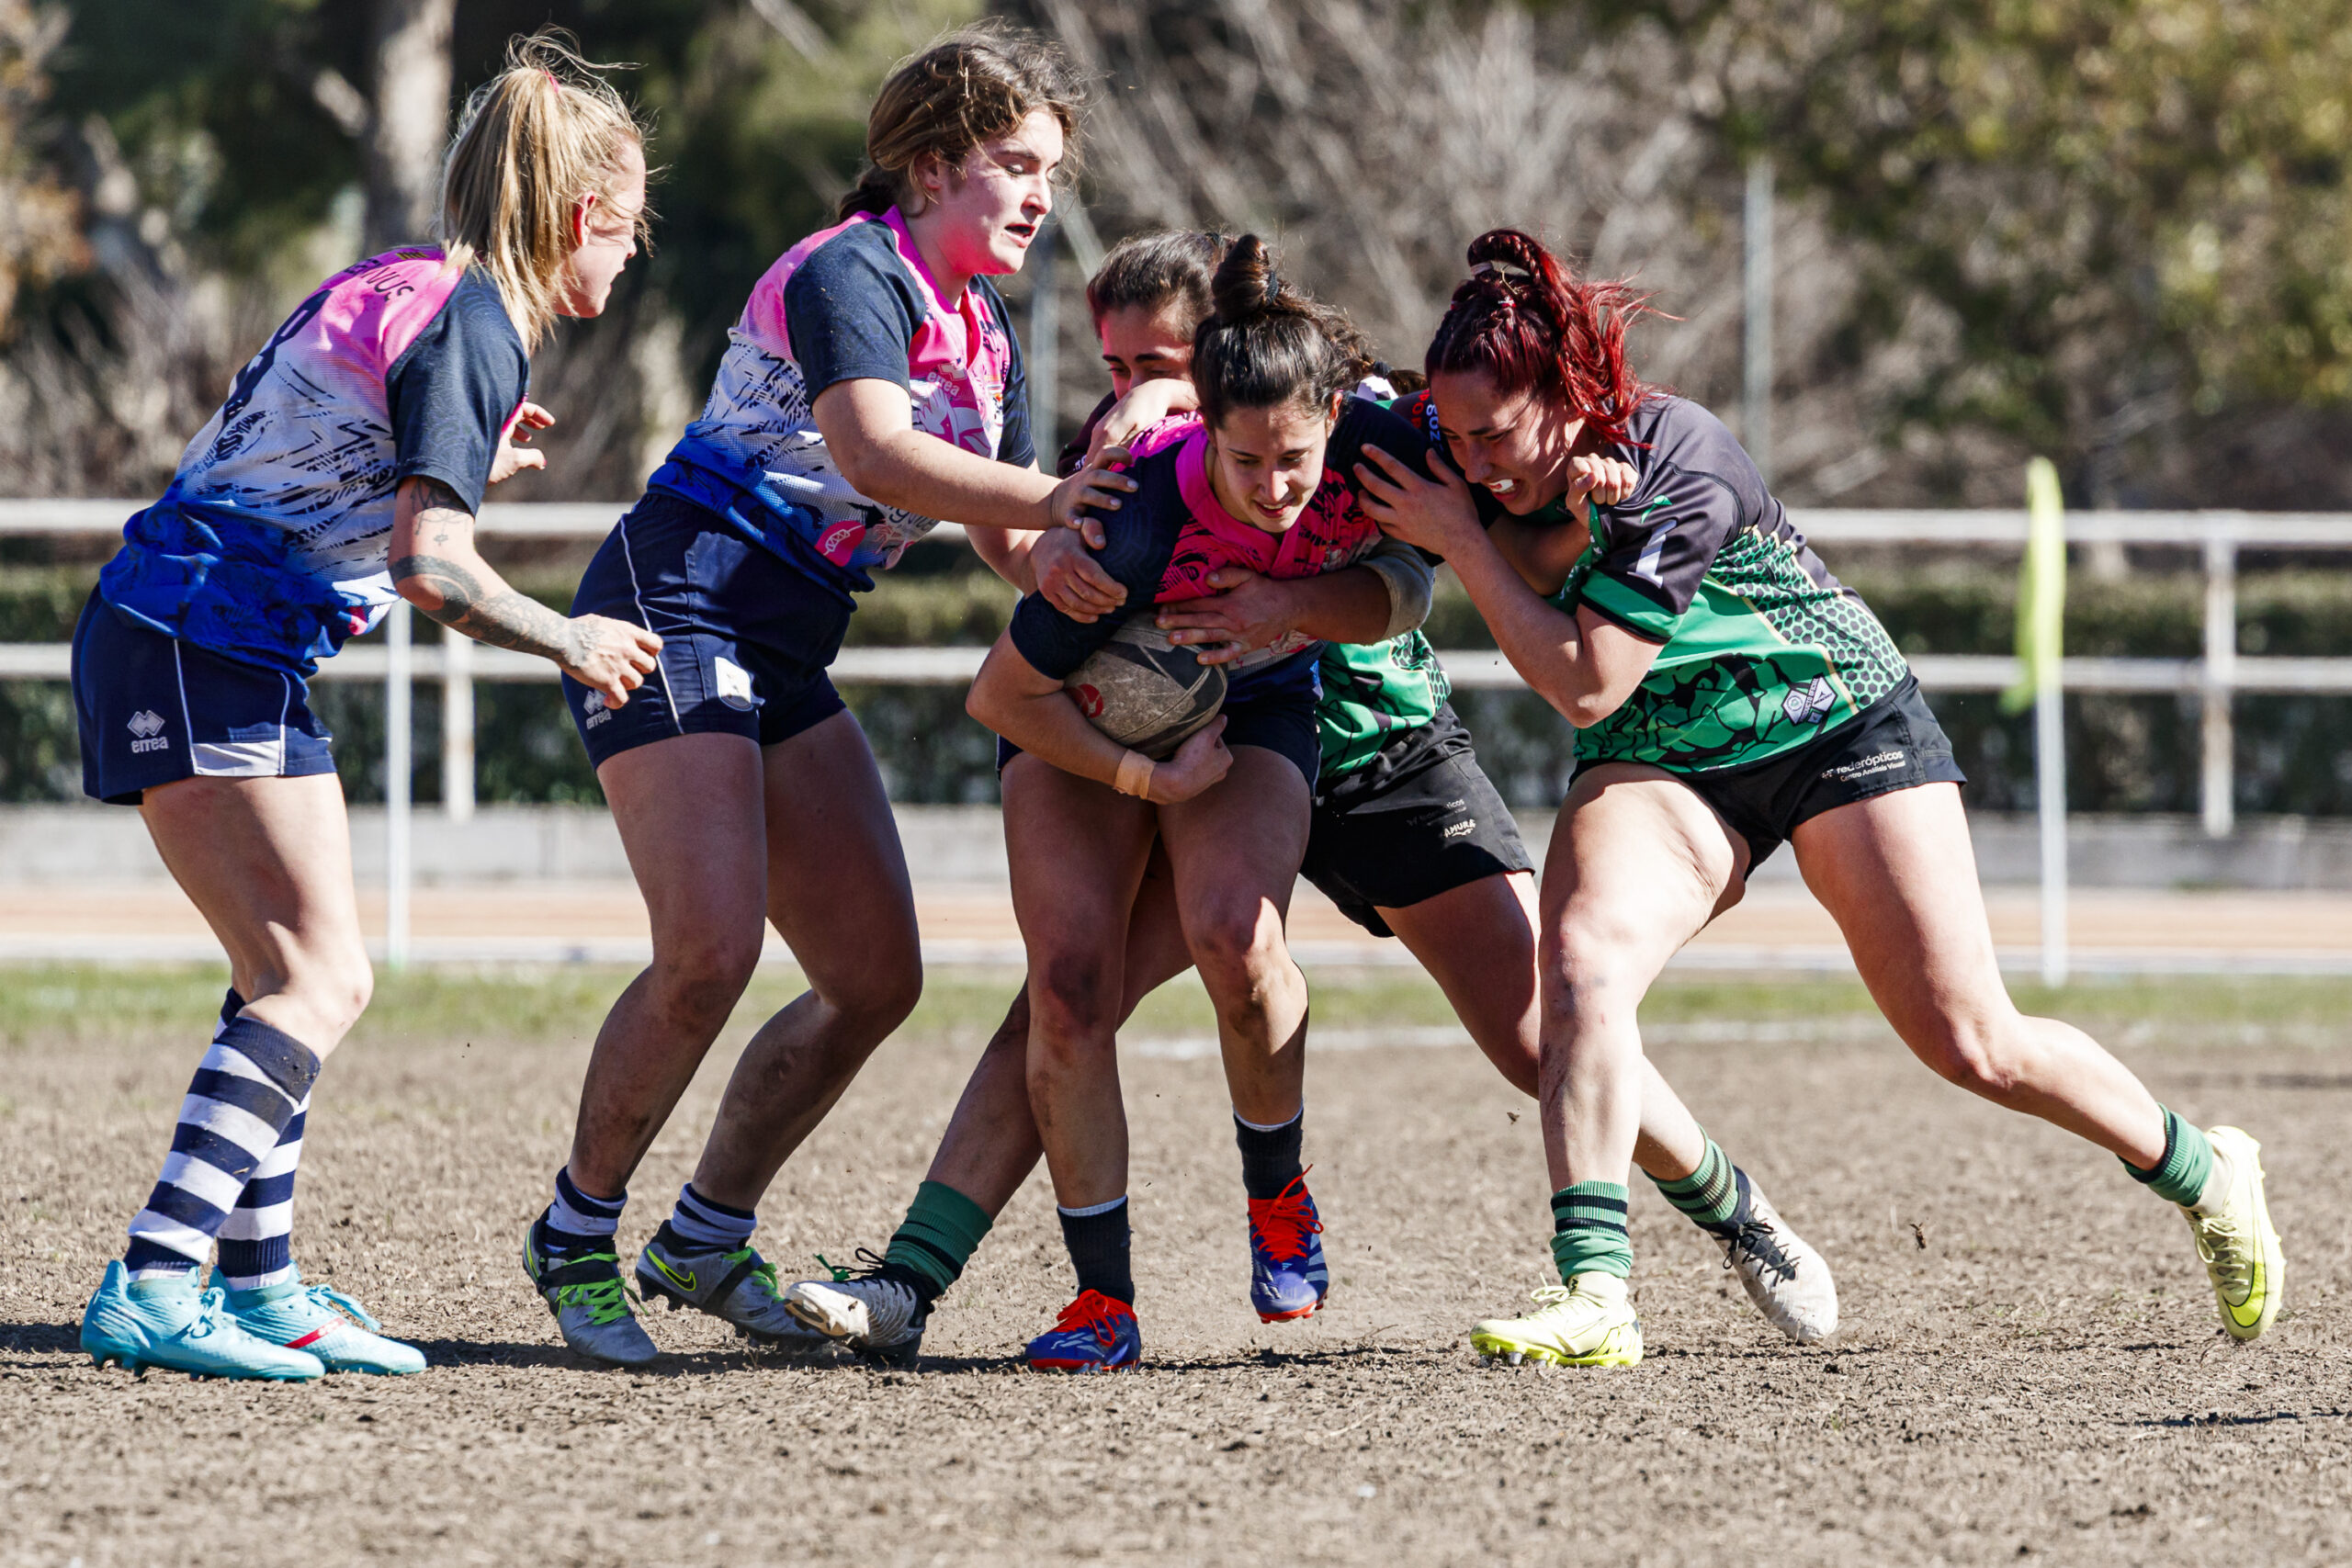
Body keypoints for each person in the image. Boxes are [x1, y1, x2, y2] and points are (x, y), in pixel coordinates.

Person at [783, 231, 1838, 1369]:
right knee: (1066, 998)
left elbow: (1473, 522)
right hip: (1215, 750)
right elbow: (1039, 622)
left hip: (1375, 748)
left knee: (1543, 1030)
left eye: (1167, 364)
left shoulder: (1363, 429)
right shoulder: (1157, 477)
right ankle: (914, 1274)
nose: (1142, 393)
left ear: (1243, 354)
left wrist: (1590, 487)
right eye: (1121, 369)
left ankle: (1739, 1215)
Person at [1356, 227, 2285, 1369]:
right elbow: (1302, 415)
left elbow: (1584, 684)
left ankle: (2202, 1166)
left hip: (1833, 723)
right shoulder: (1457, 446)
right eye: (1451, 434)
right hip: (1670, 760)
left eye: (1493, 432)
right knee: (1583, 967)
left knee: (1970, 1040)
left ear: (1567, 393)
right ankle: (1597, 1291)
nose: (1472, 458)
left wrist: (1460, 534)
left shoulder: (1671, 455)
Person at [522, 23, 1124, 1367]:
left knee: (874, 975)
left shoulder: (986, 329)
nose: (1039, 193)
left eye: (1050, 171)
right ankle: (575, 1233)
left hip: (781, 644)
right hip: (675, 602)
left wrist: (1126, 562)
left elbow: (1011, 537)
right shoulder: (856, 269)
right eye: (1014, 164)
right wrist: (1050, 497)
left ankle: (702, 1234)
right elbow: (874, 446)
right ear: (926, 164)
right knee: (710, 952)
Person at [71, 34, 659, 1382]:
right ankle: (160, 1276)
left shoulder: (417, 289)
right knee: (319, 976)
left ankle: (262, 1285)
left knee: (285, 976)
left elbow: (327, 447)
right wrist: (568, 635)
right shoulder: (477, 324)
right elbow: (429, 565)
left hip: (201, 632)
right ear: (578, 219)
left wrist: (456, 448)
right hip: (201, 634)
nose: (627, 261)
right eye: (626, 232)